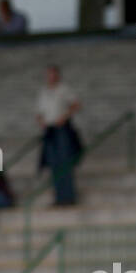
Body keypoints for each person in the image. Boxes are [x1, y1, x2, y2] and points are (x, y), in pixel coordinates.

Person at [36, 64, 82, 206]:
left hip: (61, 128)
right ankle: (58, 197)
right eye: (49, 74)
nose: (51, 77)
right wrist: (41, 121)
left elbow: (76, 104)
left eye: (53, 74)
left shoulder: (64, 89)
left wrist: (65, 116)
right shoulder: (43, 91)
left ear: (57, 75)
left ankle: (68, 197)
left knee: (64, 163)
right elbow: (39, 112)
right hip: (49, 130)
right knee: (53, 164)